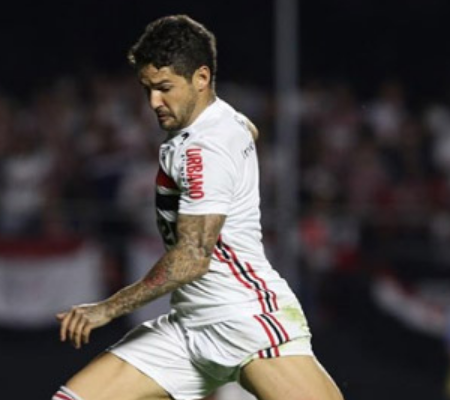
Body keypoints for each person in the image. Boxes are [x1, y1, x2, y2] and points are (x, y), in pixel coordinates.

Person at [52, 15, 344, 400]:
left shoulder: (204, 148)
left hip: (245, 321)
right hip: (189, 327)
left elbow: (192, 258)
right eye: (148, 89)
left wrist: (107, 309)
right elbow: (247, 129)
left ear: (201, 78)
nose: (154, 102)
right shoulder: (220, 122)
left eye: (164, 88)